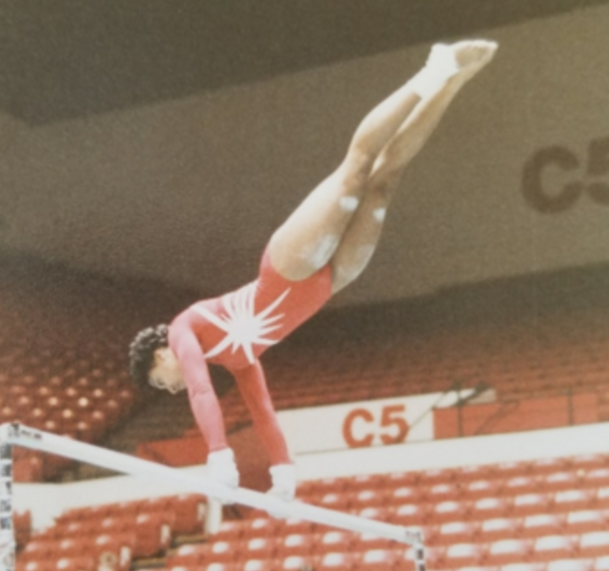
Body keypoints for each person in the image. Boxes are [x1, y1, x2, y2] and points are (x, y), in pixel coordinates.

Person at [129, 40, 498, 502]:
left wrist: (219, 455)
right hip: (330, 281)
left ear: (162, 354)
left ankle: (428, 72)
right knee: (383, 184)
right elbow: (263, 413)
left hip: (288, 266)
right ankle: (452, 82)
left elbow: (201, 393)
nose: (171, 387)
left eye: (163, 382)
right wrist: (284, 476)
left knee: (356, 169)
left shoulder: (185, 329)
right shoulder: (238, 361)